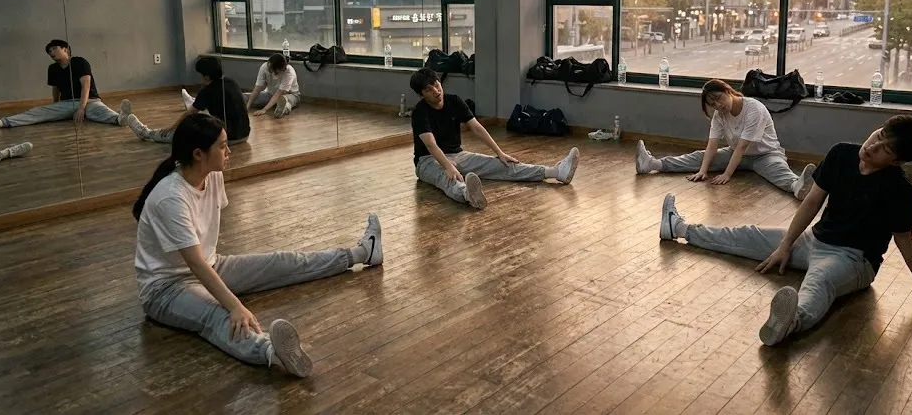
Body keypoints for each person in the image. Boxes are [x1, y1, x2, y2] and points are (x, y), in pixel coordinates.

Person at [657, 115, 912, 347]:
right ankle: (679, 228)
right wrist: (785, 244)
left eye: (885, 149)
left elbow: (905, 242)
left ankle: (790, 322)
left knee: (818, 283)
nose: (873, 145)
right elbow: (810, 203)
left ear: (897, 161)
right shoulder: (842, 154)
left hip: (854, 261)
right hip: (814, 241)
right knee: (747, 234)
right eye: (878, 135)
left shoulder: (899, 189)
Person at [133, 114, 382, 377]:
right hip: (165, 289)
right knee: (220, 315)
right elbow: (194, 263)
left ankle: (364, 252)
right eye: (222, 146)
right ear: (198, 154)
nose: (229, 152)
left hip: (212, 264)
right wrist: (235, 306)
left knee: (284, 262)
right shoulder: (170, 197)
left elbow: (203, 256)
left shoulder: (213, 174)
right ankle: (272, 352)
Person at [409, 67, 580, 209]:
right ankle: (467, 194)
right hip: (428, 160)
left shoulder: (454, 101)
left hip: (457, 154)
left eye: (436, 84)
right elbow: (431, 145)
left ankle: (556, 172)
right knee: (446, 176)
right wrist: (448, 167)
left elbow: (477, 127)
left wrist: (499, 152)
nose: (436, 91)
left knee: (501, 164)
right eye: (428, 90)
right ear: (421, 95)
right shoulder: (419, 112)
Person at [635, 79, 815, 200]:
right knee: (701, 156)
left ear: (728, 91)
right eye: (712, 104)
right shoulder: (719, 115)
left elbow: (743, 146)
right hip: (735, 154)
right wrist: (703, 171)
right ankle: (652, 164)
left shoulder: (754, 108)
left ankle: (797, 186)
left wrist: (727, 175)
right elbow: (712, 145)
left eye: (718, 98)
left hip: (765, 154)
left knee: (777, 170)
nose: (718, 105)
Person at [0, 39, 132, 130]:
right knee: (37, 112)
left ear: (65, 49)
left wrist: (81, 109)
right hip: (66, 103)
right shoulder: (52, 68)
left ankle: (119, 118)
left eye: (54, 48)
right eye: (49, 51)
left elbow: (86, 86)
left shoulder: (79, 62)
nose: (51, 52)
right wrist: (55, 105)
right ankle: (1, 122)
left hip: (89, 101)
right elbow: (55, 89)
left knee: (99, 112)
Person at [128, 56, 251, 146]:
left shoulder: (207, 91)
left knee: (182, 132)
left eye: (200, 74)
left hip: (227, 138)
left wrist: (172, 127)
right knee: (203, 118)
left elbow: (189, 114)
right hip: (244, 134)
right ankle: (191, 102)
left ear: (207, 76)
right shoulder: (231, 82)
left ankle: (145, 132)